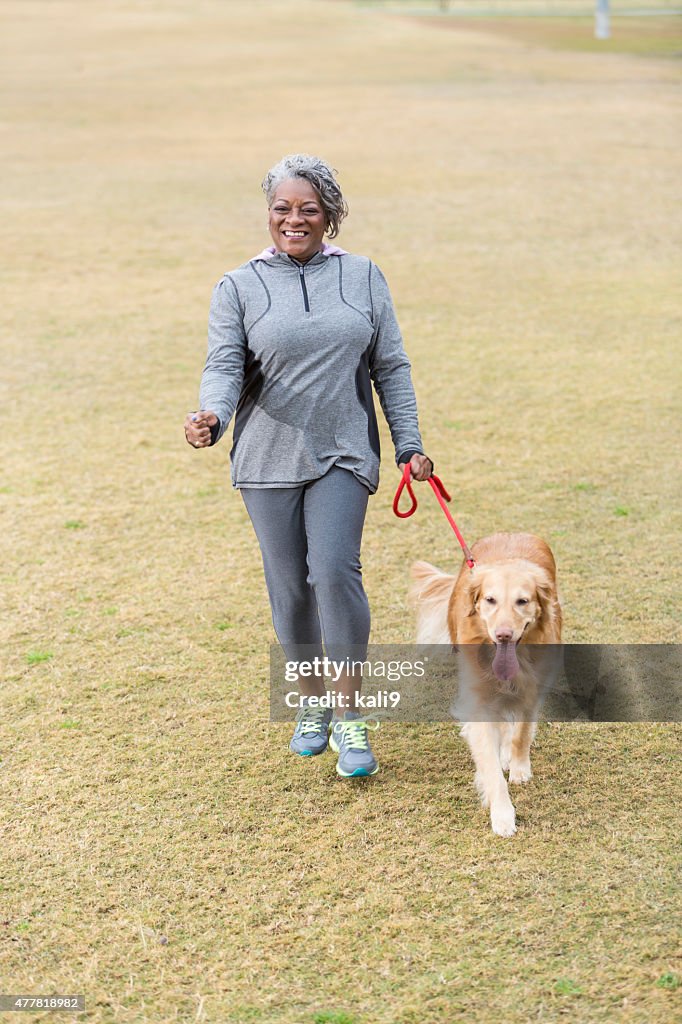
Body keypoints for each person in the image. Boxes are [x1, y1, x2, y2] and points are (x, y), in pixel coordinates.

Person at [185, 154, 432, 778]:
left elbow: (391, 367)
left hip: (344, 451)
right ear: (268, 214)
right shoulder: (238, 286)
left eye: (308, 210)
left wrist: (409, 444)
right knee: (290, 586)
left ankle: (350, 716)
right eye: (282, 209)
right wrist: (211, 416)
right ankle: (312, 703)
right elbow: (223, 366)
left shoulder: (363, 277)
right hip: (266, 456)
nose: (293, 220)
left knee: (333, 571)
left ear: (330, 216)